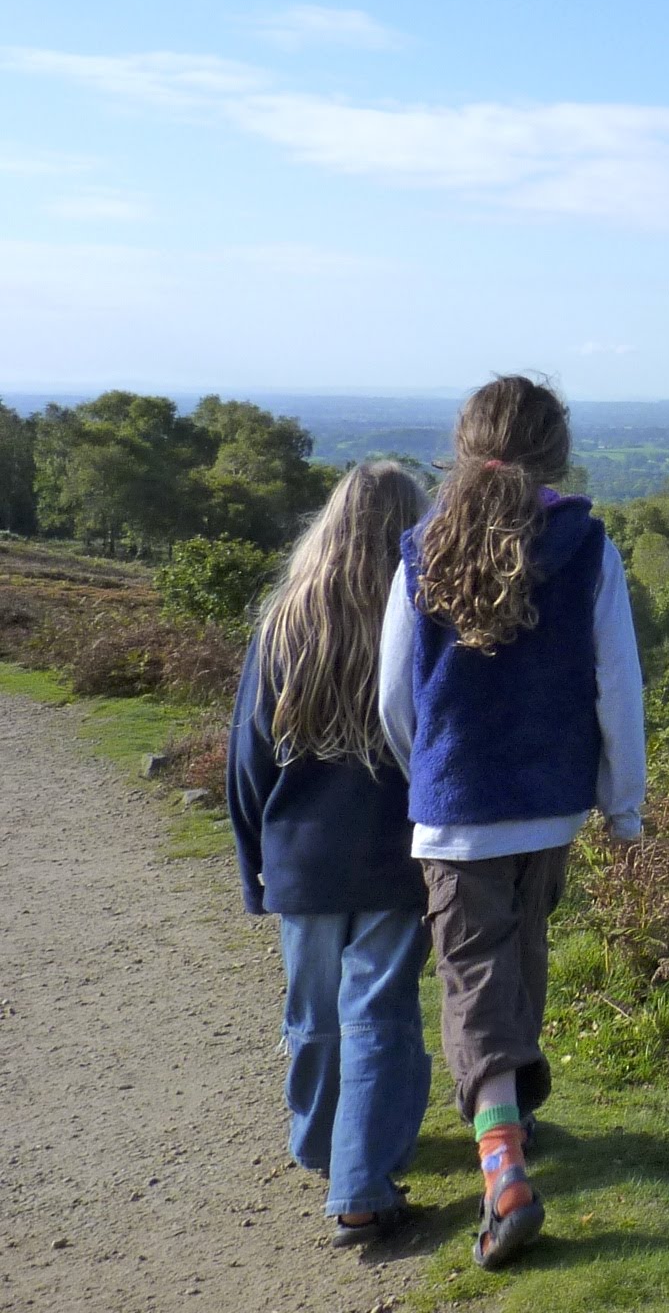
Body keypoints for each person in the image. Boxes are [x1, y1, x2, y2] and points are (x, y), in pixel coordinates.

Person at [379, 376, 646, 1270]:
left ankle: (502, 1164)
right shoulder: (586, 545)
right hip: (551, 799)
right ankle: (517, 1121)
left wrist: (434, 772)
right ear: (556, 452)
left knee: (472, 975)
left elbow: (394, 697)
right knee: (522, 955)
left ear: (466, 446)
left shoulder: (422, 547)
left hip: (458, 809)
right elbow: (619, 688)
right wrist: (624, 804)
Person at [227, 460, 433, 1246]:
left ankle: (321, 1145)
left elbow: (246, 760)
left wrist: (254, 866)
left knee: (313, 1014)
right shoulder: (417, 617)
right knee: (379, 1013)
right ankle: (361, 1183)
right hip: (394, 853)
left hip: (300, 858)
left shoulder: (285, 619)